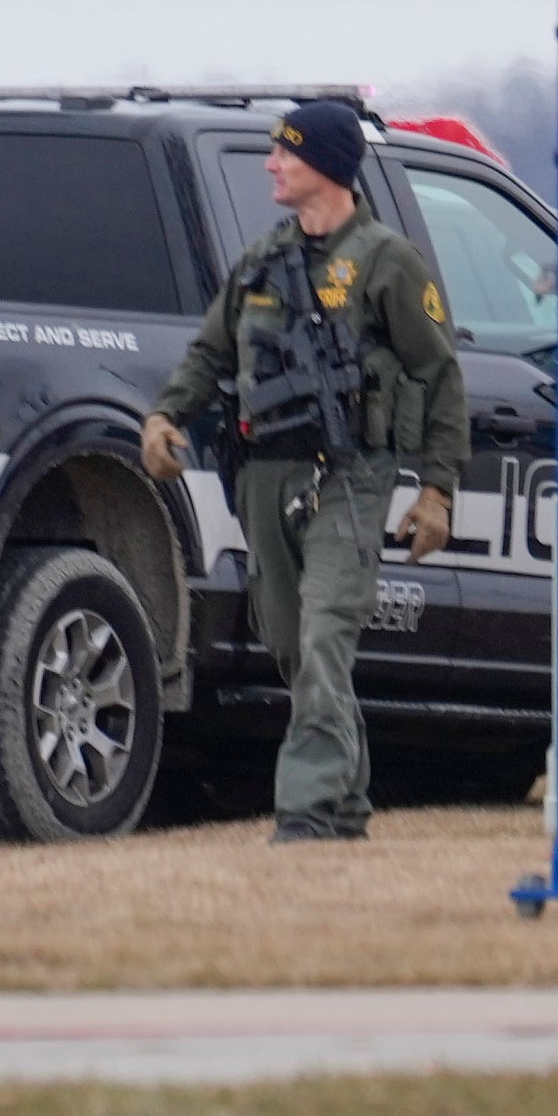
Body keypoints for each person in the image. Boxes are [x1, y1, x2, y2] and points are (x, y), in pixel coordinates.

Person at [143, 99, 469, 842]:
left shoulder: (388, 262)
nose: (272, 163)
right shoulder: (261, 260)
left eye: (285, 152)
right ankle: (347, 799)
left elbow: (440, 376)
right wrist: (164, 416)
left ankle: (307, 809)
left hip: (350, 477)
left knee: (327, 635)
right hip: (264, 473)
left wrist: (437, 489)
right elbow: (209, 353)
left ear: (324, 162)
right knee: (292, 645)